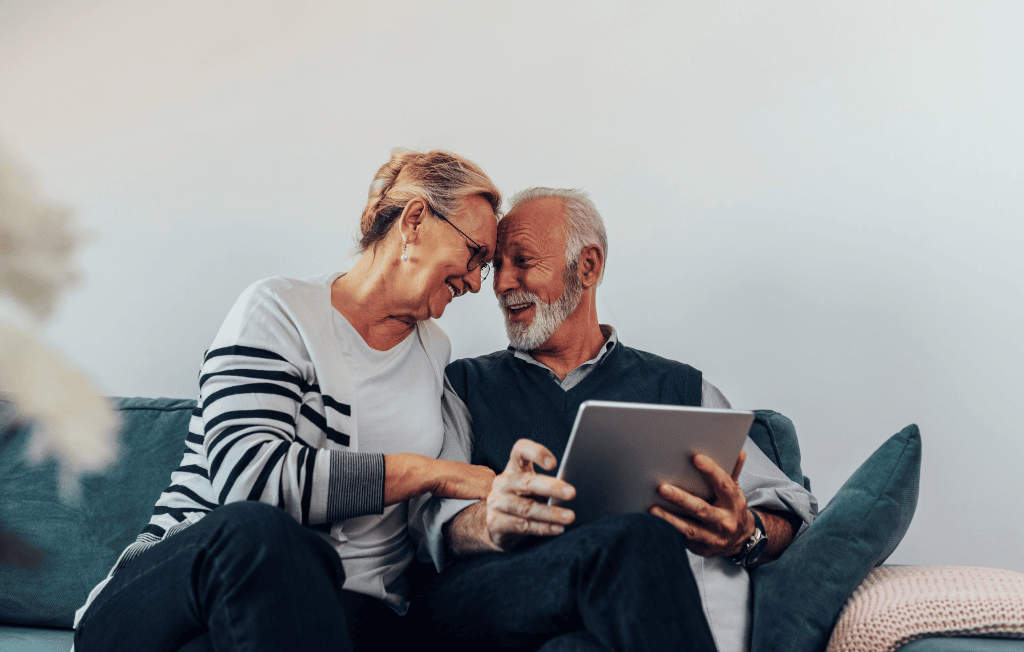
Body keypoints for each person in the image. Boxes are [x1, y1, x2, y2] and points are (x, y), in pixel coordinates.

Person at [74, 150, 502, 652]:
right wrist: (431, 471)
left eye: (485, 268)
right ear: (414, 221)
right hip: (183, 597)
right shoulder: (278, 311)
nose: (475, 283)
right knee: (260, 532)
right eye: (475, 255)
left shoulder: (435, 353)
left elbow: (446, 511)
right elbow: (251, 483)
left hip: (340, 616)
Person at [426, 187, 818, 652]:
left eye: (523, 261)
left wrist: (744, 533)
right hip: (494, 599)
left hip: (614, 620)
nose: (501, 284)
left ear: (587, 266)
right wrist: (490, 518)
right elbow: (434, 519)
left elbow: (790, 509)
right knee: (638, 539)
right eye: (497, 265)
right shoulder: (464, 384)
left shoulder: (682, 390)